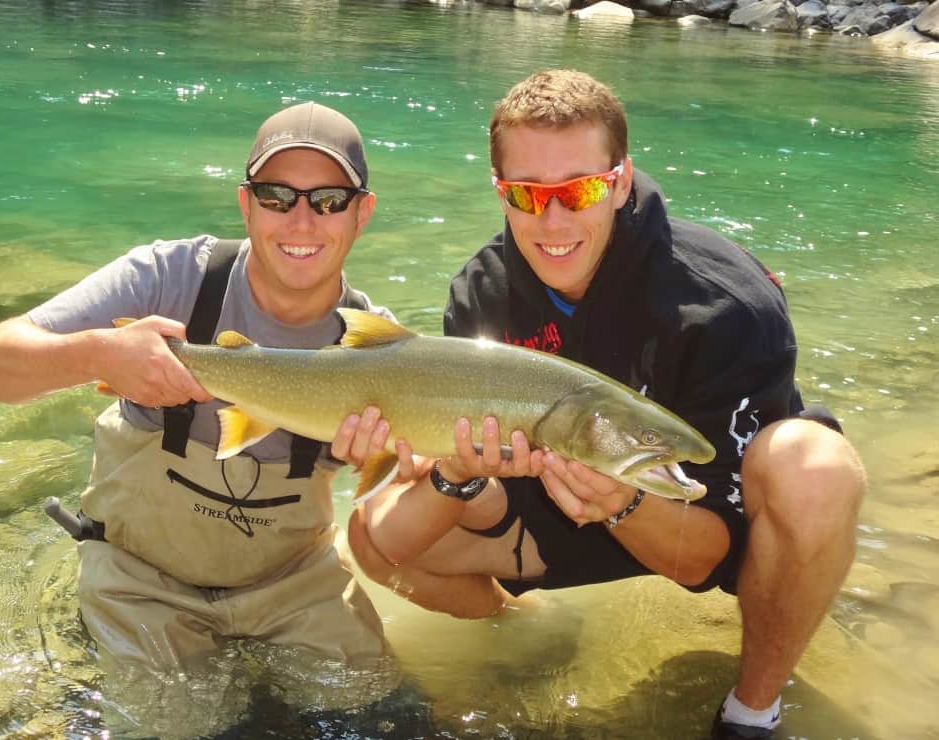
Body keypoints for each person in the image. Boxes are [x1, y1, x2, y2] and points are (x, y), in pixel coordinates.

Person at [336, 70, 866, 739]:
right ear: (500, 191)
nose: (551, 220)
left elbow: (703, 558)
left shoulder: (725, 302)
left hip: (688, 514)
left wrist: (619, 501)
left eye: (578, 190)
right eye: (526, 195)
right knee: (372, 533)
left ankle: (750, 711)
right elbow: (464, 485)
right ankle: (525, 633)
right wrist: (449, 469)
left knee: (816, 468)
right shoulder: (479, 292)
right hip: (544, 508)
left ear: (617, 181)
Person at [0, 102, 391, 674]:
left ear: (362, 214)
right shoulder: (168, 278)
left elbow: (397, 513)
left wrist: (407, 465)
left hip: (294, 584)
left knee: (373, 707)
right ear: (245, 204)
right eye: (276, 196)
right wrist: (99, 354)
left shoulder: (381, 348)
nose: (301, 221)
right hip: (140, 581)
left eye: (329, 201)